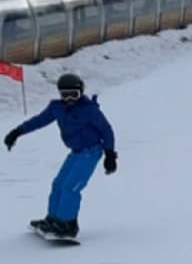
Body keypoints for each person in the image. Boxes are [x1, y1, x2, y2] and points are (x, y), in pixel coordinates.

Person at [3, 72, 118, 239]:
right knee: (58, 184)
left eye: (74, 94)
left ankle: (68, 224)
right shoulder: (57, 107)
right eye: (65, 94)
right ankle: (54, 219)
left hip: (91, 152)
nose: (69, 99)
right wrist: (17, 132)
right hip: (76, 152)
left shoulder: (90, 110)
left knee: (70, 187)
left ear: (81, 92)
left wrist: (110, 154)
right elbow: (39, 120)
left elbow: (106, 130)